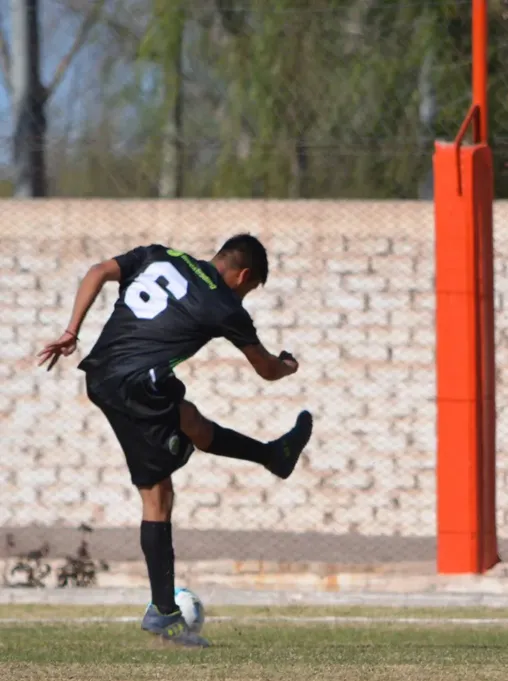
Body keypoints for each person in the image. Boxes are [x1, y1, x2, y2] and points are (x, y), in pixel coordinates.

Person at [37, 235, 313, 648]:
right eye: (250, 289)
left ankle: (273, 456)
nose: (244, 296)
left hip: (105, 373)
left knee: (190, 419)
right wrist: (288, 365)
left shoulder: (159, 255)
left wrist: (71, 330)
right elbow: (267, 370)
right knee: (158, 497)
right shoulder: (224, 305)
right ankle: (164, 614)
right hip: (136, 387)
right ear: (243, 276)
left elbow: (98, 271)